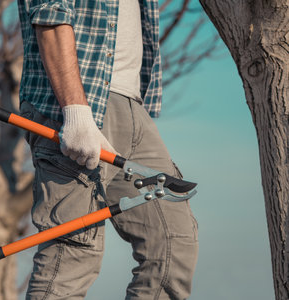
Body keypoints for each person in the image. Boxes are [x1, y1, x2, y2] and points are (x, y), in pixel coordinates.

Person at [17, 0, 199, 298]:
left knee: (172, 244)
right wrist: (75, 111)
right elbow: (51, 13)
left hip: (134, 106)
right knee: (72, 254)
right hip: (77, 103)